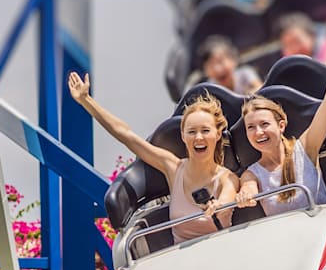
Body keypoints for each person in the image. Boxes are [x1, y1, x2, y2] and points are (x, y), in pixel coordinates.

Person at [67, 74, 238, 241]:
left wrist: (218, 206)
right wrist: (85, 100)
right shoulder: (173, 167)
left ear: (217, 134)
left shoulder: (227, 178)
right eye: (192, 132)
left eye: (205, 131)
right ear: (183, 137)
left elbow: (225, 201)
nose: (198, 137)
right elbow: (125, 134)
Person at [238, 22, 326, 214]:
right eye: (251, 127)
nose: (258, 132)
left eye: (264, 124)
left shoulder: (304, 149)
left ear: (281, 125)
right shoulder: (252, 174)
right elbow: (248, 187)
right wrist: (245, 194)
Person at [197, 35, 261, 93]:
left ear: (233, 60)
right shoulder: (210, 87)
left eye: (220, 61)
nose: (217, 69)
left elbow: (261, 89)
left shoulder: (245, 74)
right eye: (211, 65)